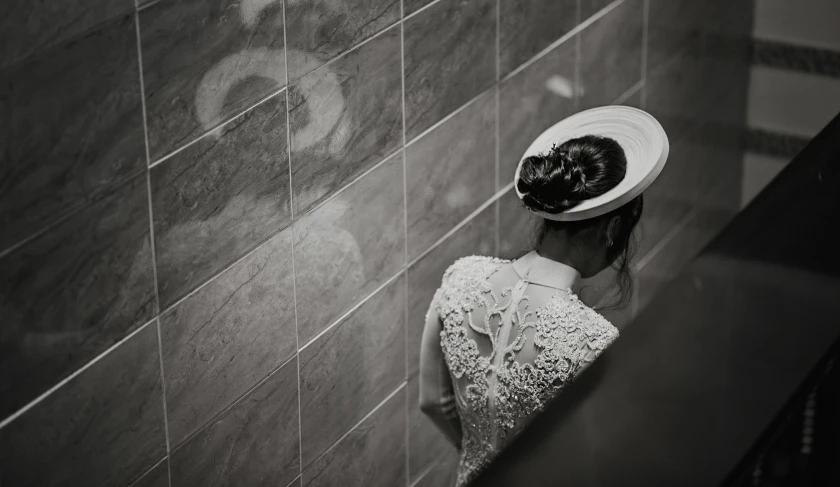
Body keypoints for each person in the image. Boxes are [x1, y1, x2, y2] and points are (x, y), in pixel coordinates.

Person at [418, 106, 669, 486]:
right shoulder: (592, 342)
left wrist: (479, 459)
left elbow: (433, 403)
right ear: (614, 227)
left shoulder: (460, 277)